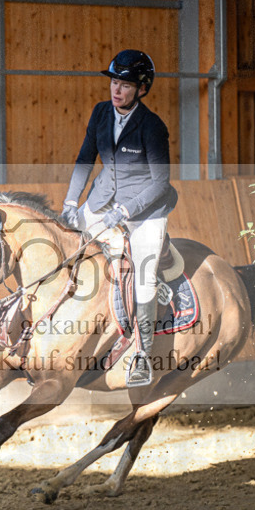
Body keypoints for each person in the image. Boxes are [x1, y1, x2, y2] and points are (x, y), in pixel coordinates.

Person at [60, 49, 177, 387]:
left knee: (142, 278)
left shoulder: (153, 127)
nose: (116, 90)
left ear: (142, 89)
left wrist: (124, 212)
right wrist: (71, 201)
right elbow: (85, 159)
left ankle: (141, 354)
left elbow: (160, 183)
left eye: (125, 85)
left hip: (143, 212)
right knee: (63, 247)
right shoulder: (100, 113)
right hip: (100, 203)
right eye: (114, 82)